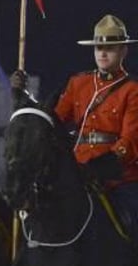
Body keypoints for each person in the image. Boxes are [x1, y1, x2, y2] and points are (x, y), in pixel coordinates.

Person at [11, 14, 138, 234]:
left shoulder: (132, 90)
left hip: (116, 177)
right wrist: (23, 96)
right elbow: (51, 121)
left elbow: (131, 141)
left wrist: (101, 166)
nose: (103, 53)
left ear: (123, 51)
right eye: (99, 48)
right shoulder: (79, 83)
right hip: (76, 170)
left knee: (132, 223)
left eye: (110, 48)